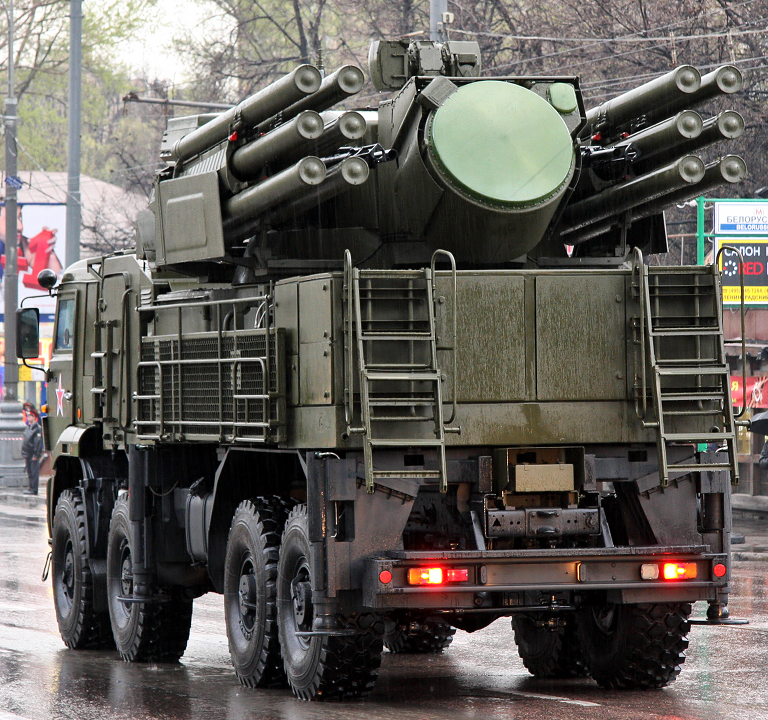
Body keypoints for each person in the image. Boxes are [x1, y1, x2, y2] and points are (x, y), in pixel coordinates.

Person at [21, 406, 44, 496]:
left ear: (34, 417)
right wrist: (24, 453)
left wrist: (36, 454)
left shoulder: (37, 428)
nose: (28, 417)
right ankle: (30, 488)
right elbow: (25, 441)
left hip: (33, 454)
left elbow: (37, 443)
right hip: (27, 454)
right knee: (30, 472)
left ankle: (34, 489)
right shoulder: (28, 427)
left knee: (34, 472)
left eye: (30, 416)